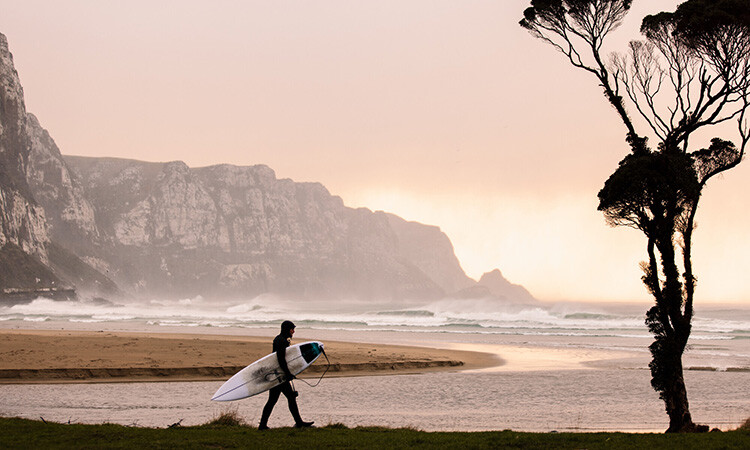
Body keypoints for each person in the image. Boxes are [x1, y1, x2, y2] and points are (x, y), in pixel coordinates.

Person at [258, 320, 314, 430]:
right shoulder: (281, 341)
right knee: (288, 398)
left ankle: (263, 425)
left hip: (278, 374)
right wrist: (288, 373)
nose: (293, 331)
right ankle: (298, 423)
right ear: (287, 329)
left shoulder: (281, 339)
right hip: (279, 376)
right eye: (292, 329)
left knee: (276, 400)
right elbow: (281, 359)